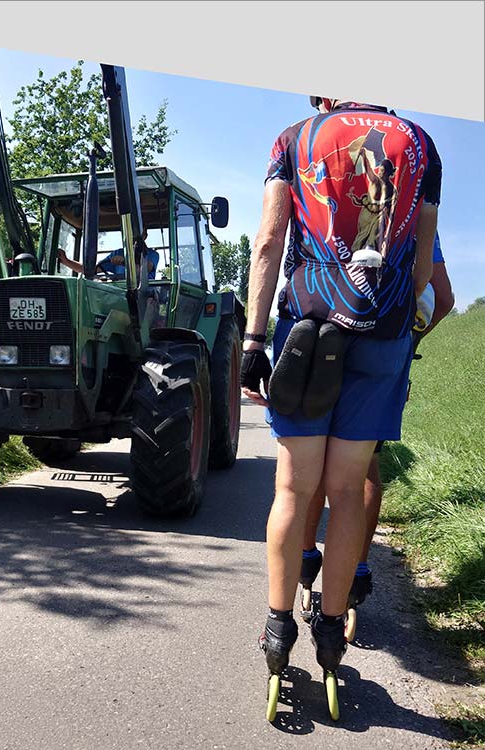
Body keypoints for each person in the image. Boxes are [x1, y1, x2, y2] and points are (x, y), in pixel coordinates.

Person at [242, 96, 442, 721]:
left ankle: (279, 636)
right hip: (383, 335)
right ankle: (332, 636)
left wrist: (252, 341)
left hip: (308, 331)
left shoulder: (297, 137)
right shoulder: (420, 143)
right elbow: (425, 251)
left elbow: (271, 239)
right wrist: (398, 329)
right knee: (348, 490)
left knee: (293, 489)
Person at [299, 232, 455, 630]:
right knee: (363, 469)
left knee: (312, 461)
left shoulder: (320, 177)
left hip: (321, 344)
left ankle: (305, 562)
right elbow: (444, 299)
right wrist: (408, 340)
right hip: (383, 347)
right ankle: (358, 571)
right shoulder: (410, 198)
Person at [57, 229, 159, 279]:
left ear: (145, 235)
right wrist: (66, 261)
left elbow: (145, 268)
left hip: (145, 299)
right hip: (120, 296)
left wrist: (124, 262)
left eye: (137, 232)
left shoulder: (152, 254)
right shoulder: (118, 253)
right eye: (130, 231)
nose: (133, 235)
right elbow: (91, 270)